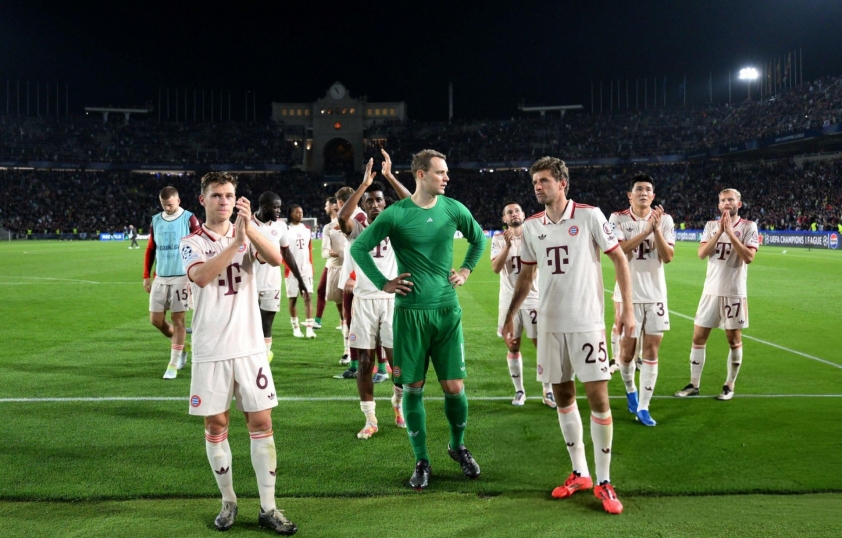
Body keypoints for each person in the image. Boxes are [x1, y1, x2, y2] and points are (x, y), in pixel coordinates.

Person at [503, 157, 634, 515]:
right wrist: (511, 312)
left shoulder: (590, 216)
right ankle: (580, 473)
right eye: (534, 182)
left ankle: (604, 480)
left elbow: (620, 260)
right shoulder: (532, 226)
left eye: (543, 181)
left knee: (598, 398)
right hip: (549, 324)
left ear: (562, 183)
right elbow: (526, 277)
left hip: (587, 322)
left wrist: (628, 310)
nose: (537, 187)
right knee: (562, 397)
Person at [351, 149, 486, 491]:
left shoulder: (454, 209)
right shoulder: (396, 214)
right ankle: (421, 459)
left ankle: (457, 447)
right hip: (410, 314)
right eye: (441, 172)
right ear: (421, 175)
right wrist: (384, 283)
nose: (447, 177)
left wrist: (467, 270)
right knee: (413, 387)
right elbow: (358, 248)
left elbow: (479, 239)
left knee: (454, 387)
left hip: (445, 310)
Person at [180, 172, 297, 535]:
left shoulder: (247, 231)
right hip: (211, 349)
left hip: (249, 348)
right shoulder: (191, 242)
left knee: (261, 424)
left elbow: (277, 260)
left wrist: (248, 230)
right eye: (217, 196)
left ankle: (269, 507)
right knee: (216, 426)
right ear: (203, 200)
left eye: (229, 195)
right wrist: (235, 244)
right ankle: (228, 501)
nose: (224, 201)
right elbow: (201, 277)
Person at [338, 159, 406, 439]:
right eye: (369, 201)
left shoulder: (397, 225)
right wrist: (363, 184)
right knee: (365, 363)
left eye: (379, 200)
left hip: (391, 302)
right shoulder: (357, 228)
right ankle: (370, 419)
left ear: (385, 203)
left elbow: (413, 203)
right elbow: (342, 217)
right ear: (364, 206)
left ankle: (398, 404)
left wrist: (389, 176)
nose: (375, 204)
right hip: (364, 302)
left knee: (397, 363)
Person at [675, 188, 759, 401]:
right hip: (710, 291)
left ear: (739, 204)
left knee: (733, 339)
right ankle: (694, 384)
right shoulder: (711, 226)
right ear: (719, 205)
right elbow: (702, 253)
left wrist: (731, 233)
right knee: (698, 338)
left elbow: (749, 257)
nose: (726, 203)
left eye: (730, 200)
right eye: (722, 200)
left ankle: (729, 385)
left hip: (734, 292)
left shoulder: (749, 226)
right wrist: (721, 232)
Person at [608, 173, 675, 427]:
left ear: (653, 195)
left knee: (651, 352)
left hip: (656, 296)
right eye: (638, 189)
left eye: (648, 189)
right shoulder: (618, 218)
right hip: (628, 296)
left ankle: (644, 407)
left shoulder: (665, 219)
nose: (643, 192)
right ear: (630, 194)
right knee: (626, 355)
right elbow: (618, 252)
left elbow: (667, 257)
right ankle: (631, 391)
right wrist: (645, 230)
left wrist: (656, 230)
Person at [490, 201, 555, 408]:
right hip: (508, 302)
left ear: (524, 214)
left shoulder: (534, 236)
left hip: (533, 299)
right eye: (509, 212)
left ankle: (548, 390)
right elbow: (495, 268)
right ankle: (519, 391)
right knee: (513, 345)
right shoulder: (499, 239)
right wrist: (508, 246)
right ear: (504, 219)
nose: (514, 214)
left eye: (517, 210)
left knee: (541, 345)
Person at [142, 186, 201, 379]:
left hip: (182, 277)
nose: (167, 208)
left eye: (170, 204)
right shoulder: (156, 220)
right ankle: (183, 346)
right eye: (164, 205)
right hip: (161, 276)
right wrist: (146, 275)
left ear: (178, 201)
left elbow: (200, 245)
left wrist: (194, 275)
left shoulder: (189, 218)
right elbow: (151, 248)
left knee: (178, 320)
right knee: (155, 320)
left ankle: (173, 364)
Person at [252, 192, 310, 363]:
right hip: (249, 283)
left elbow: (286, 252)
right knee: (250, 324)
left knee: (267, 324)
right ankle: (252, 358)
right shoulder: (247, 224)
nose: (279, 211)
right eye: (275, 207)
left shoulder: (281, 226)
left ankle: (262, 361)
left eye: (279, 207)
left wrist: (300, 280)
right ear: (264, 207)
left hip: (272, 283)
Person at [284, 204, 315, 339]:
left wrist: (311, 267)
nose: (300, 214)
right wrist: (287, 267)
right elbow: (283, 252)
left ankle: (309, 328)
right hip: (291, 271)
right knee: (293, 299)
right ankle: (295, 327)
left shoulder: (307, 229)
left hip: (305, 269)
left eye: (301, 212)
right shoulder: (286, 230)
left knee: (308, 298)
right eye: (297, 212)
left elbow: (309, 250)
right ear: (290, 214)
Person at [313, 197, 342, 331]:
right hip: (332, 265)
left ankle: (345, 321)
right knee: (329, 293)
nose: (325, 207)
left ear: (333, 206)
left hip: (346, 266)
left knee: (344, 296)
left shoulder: (349, 223)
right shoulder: (328, 227)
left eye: (326, 205)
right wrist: (329, 253)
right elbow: (324, 252)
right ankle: (319, 321)